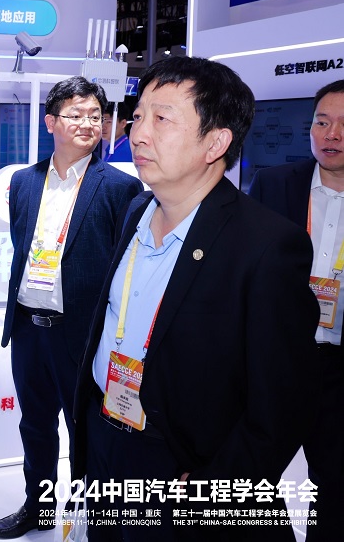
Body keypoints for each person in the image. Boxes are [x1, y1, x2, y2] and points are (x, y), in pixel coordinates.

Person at [72, 56, 318, 541]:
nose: (137, 134)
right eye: (137, 116)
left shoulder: (266, 245)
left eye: (162, 119)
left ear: (216, 142)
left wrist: (213, 490)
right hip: (106, 439)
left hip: (181, 466)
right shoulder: (136, 210)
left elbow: (282, 405)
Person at [0, 77, 142, 539]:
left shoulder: (119, 187)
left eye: (96, 116)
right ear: (50, 122)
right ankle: (38, 509)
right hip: (28, 327)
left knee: (83, 430)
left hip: (82, 332)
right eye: (76, 115)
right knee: (35, 425)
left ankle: (84, 518)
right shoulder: (23, 182)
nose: (88, 124)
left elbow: (122, 266)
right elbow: (22, 247)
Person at [248, 79, 344, 542]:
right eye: (322, 122)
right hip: (277, 361)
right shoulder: (273, 184)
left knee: (335, 486)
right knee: (249, 481)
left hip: (340, 369)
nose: (332, 134)